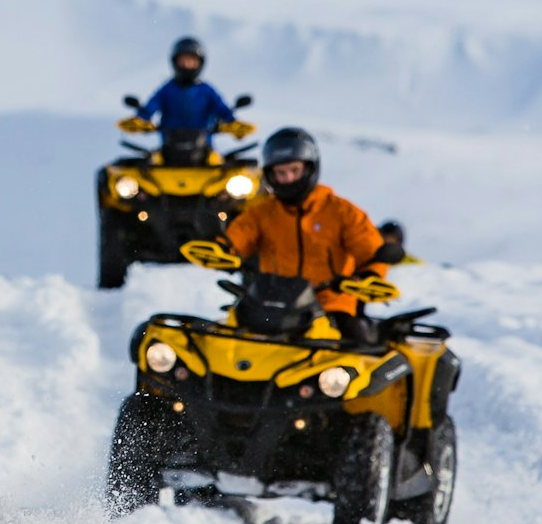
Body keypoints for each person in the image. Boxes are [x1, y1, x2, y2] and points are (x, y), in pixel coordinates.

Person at [224, 127, 388, 338]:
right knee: (234, 339)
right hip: (271, 304)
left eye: (295, 170)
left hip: (330, 304)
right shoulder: (261, 213)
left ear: (310, 168)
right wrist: (221, 248)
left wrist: (369, 275)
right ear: (270, 175)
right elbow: (237, 237)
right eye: (281, 173)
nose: (289, 178)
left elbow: (371, 251)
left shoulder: (342, 212)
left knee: (357, 344)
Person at [123, 37, 252, 139]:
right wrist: (140, 119)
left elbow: (222, 110)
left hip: (204, 150)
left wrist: (234, 124)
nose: (186, 65)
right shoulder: (167, 89)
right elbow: (150, 107)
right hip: (168, 150)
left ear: (199, 63)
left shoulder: (206, 91)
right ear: (175, 62)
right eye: (183, 61)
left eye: (191, 61)